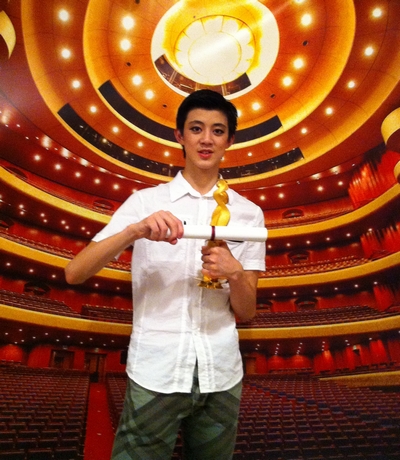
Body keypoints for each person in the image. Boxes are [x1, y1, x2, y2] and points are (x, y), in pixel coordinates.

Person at [65, 89, 266, 459]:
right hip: (155, 372)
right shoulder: (145, 202)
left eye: (218, 131)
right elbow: (74, 273)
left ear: (230, 141)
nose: (206, 139)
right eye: (196, 128)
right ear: (180, 136)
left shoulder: (250, 215)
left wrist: (236, 274)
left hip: (222, 374)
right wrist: (134, 230)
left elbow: (247, 311)